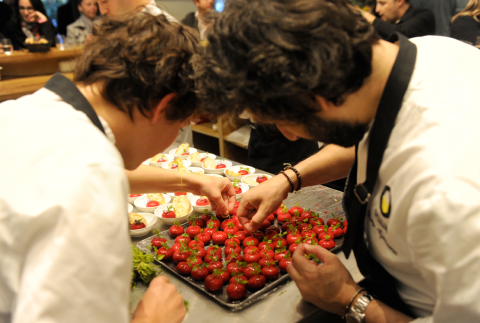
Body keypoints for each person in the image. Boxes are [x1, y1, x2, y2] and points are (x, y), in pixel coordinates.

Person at [195, 0, 480, 322]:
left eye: (282, 121)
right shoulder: (430, 51)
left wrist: (350, 300)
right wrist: (287, 180)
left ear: (316, 97)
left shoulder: (450, 190)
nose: (288, 137)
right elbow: (375, 132)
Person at [0, 13, 234, 323]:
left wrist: (191, 180)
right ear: (162, 107)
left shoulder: (22, 110)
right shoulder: (91, 182)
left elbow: (86, 167)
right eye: (182, 123)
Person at [358, 0, 435, 39]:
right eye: (377, 3)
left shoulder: (424, 16)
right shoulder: (384, 20)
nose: (377, 9)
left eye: (382, 3)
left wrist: (367, 16)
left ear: (399, 1)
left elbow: (401, 34)